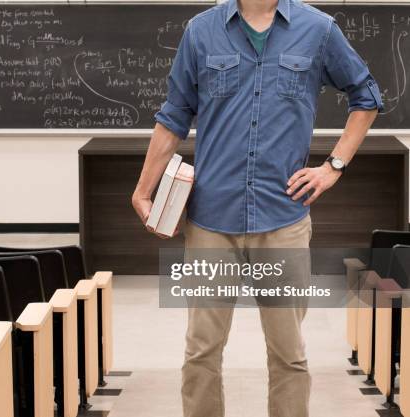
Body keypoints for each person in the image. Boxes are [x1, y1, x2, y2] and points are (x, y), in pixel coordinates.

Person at [132, 0, 382, 416]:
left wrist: (333, 166)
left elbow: (366, 95)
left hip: (282, 219)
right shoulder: (200, 31)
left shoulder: (318, 29)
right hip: (212, 222)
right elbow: (174, 114)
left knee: (288, 354)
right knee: (201, 353)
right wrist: (143, 190)